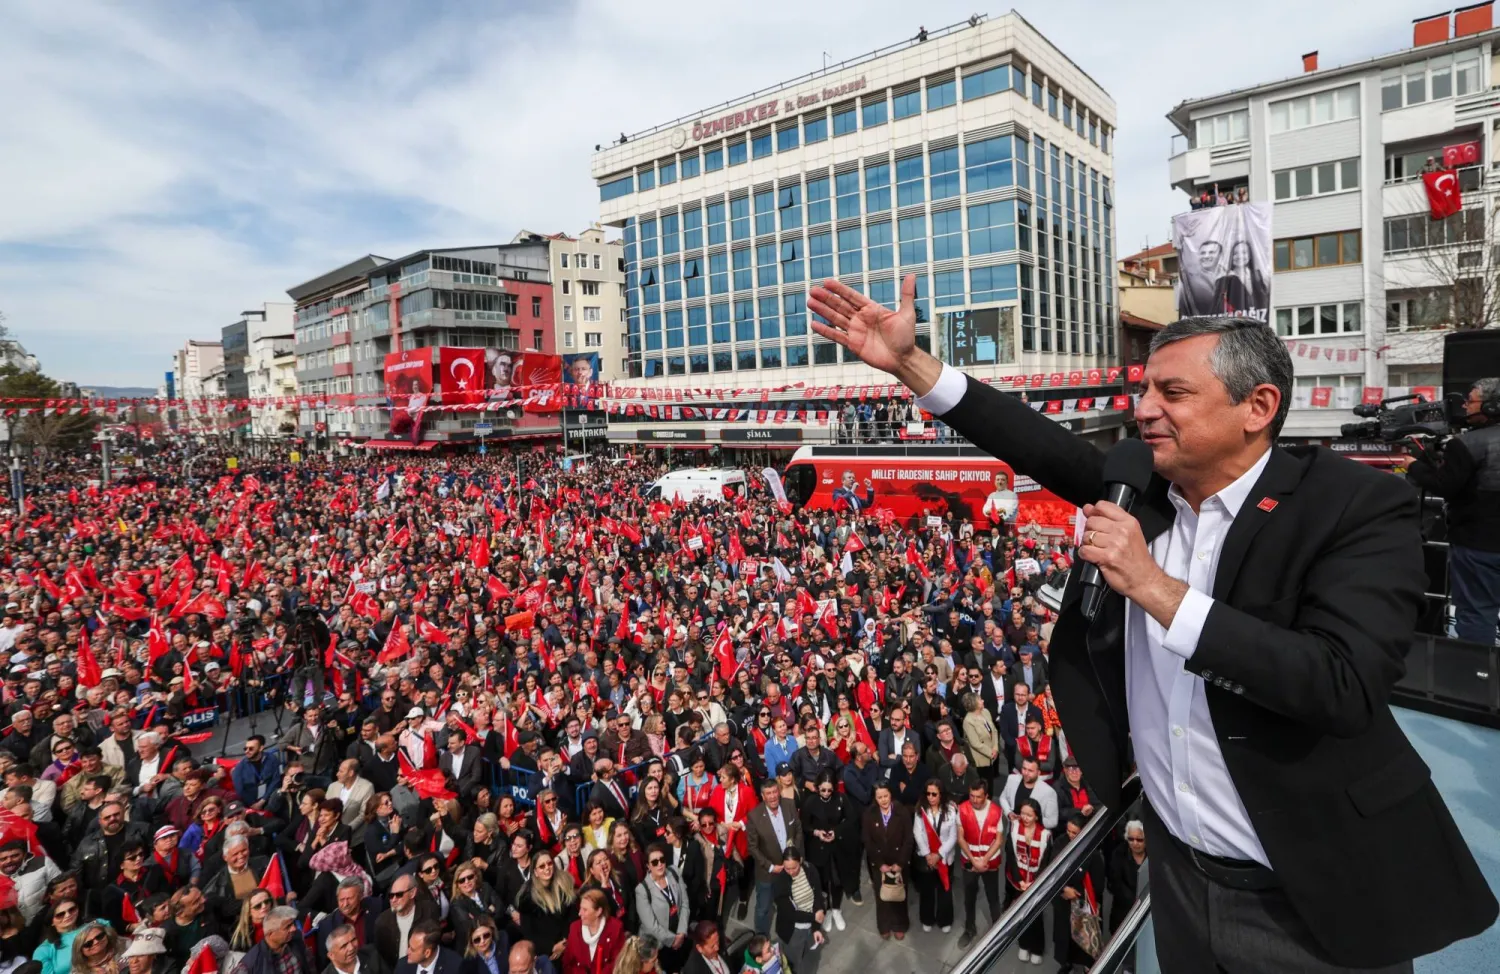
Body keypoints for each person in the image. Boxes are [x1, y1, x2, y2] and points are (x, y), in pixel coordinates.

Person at [807, 277, 1497, 970]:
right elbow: (1033, 441)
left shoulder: (1356, 507)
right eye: (1144, 391)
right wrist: (909, 362)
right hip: (1176, 873)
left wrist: (1154, 589)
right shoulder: (1148, 490)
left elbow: (1341, 684)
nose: (1144, 411)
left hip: (1311, 889)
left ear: (1257, 407)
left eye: (1173, 392)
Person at [1408, 377, 1500, 644]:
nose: (1465, 407)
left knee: (1477, 612)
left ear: (1492, 406)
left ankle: (1476, 667)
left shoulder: (1467, 443)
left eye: (1470, 401)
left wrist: (1414, 466)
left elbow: (1444, 485)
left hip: (1479, 546)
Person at [743, 779, 800, 938]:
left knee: (789, 900)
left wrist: (796, 857)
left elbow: (798, 830)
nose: (773, 796)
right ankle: (761, 938)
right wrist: (770, 866)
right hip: (767, 873)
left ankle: (789, 930)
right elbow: (752, 847)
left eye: (775, 792)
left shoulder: (789, 805)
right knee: (763, 908)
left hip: (789, 868)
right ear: (763, 796)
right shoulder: (754, 816)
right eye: (768, 793)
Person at [954, 778, 1003, 950]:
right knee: (969, 898)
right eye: (972, 796)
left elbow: (998, 840)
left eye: (978, 796)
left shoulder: (996, 811)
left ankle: (998, 930)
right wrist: (974, 860)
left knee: (993, 897)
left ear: (986, 796)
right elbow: (960, 838)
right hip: (970, 862)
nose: (974, 800)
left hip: (990, 864)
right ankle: (970, 929)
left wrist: (984, 860)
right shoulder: (962, 809)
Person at [1002, 799, 1051, 966]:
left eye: (1029, 815)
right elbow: (1010, 855)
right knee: (1021, 914)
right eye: (1023, 813)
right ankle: (1023, 944)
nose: (1025, 817)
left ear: (1036, 816)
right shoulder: (1014, 828)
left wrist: (1033, 883)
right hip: (1018, 881)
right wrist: (1020, 880)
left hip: (1036, 883)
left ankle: (1037, 948)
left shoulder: (1045, 835)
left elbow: (1045, 862)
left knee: (1036, 916)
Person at [860, 783, 911, 941]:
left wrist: (900, 863)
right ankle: (884, 925)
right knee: (881, 895)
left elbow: (908, 840)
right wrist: (879, 863)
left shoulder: (901, 811)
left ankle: (900, 925)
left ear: (891, 795)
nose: (883, 800)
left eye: (886, 796)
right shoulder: (869, 814)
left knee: (899, 894)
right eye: (879, 797)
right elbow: (868, 841)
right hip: (880, 862)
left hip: (898, 861)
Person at [633, 844, 689, 974]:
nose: (660, 864)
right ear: (648, 866)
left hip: (679, 936)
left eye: (662, 860)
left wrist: (681, 932)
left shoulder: (674, 872)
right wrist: (673, 940)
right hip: (659, 945)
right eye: (654, 862)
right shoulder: (642, 889)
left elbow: (685, 903)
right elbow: (651, 926)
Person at [769, 848, 824, 974]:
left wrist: (816, 927)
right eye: (787, 868)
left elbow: (817, 896)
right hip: (793, 931)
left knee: (810, 958)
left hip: (811, 924)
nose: (791, 872)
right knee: (794, 963)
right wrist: (814, 917)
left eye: (794, 867)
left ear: (800, 861)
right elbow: (790, 914)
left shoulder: (810, 870)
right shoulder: (780, 882)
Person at [911, 782, 956, 934]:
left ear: (941, 794)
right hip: (926, 858)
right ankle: (927, 919)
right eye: (928, 794)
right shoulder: (920, 810)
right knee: (926, 891)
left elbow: (953, 836)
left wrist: (939, 854)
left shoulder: (950, 810)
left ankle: (945, 920)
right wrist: (928, 855)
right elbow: (917, 833)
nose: (930, 797)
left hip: (944, 857)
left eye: (934, 794)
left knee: (945, 889)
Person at [232, 906, 314, 974]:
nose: (294, 928)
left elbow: (310, 966)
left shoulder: (297, 938)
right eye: (287, 927)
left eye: (293, 924)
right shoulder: (250, 964)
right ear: (270, 934)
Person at [559, 890, 625, 974]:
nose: (579, 913)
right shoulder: (575, 928)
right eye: (580, 908)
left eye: (585, 910)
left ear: (598, 911)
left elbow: (617, 962)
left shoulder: (615, 928)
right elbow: (567, 963)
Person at [395, 921, 461, 974]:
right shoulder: (402, 966)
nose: (407, 952)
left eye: (413, 950)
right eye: (409, 946)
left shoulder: (456, 967)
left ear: (427, 953)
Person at [327, 922, 392, 974]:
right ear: (331, 955)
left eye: (353, 940)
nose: (351, 948)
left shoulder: (372, 954)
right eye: (344, 946)